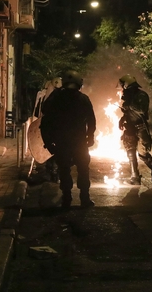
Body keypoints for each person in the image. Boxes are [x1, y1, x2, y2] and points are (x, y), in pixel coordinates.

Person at [40, 70, 97, 208]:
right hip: (79, 142)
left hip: (62, 141)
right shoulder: (83, 99)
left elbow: (45, 120)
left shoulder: (56, 99)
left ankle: (67, 198)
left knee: (64, 170)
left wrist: (49, 142)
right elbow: (91, 120)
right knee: (83, 169)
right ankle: (85, 198)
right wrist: (90, 137)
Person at [118, 74, 152, 185]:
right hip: (130, 127)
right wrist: (122, 119)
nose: (122, 87)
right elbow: (127, 112)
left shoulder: (142, 95)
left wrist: (129, 105)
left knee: (142, 154)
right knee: (130, 152)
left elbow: (142, 110)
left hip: (140, 127)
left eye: (123, 85)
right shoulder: (128, 95)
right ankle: (135, 176)